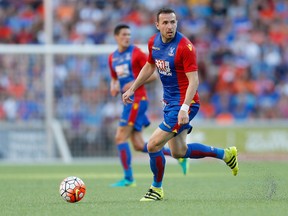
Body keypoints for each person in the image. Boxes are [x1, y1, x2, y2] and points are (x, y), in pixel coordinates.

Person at [122, 8, 239, 201]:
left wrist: (184, 108)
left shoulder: (185, 47)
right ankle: (226, 155)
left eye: (173, 22)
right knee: (179, 152)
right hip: (169, 103)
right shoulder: (154, 42)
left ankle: (156, 189)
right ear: (157, 25)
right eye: (166, 23)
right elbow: (150, 65)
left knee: (152, 145)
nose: (170, 26)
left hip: (185, 104)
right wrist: (133, 88)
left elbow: (194, 81)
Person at [108, 24, 189, 187]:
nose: (127, 37)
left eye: (129, 35)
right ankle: (179, 156)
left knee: (119, 137)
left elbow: (153, 74)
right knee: (138, 145)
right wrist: (114, 85)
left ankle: (129, 178)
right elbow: (114, 78)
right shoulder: (113, 57)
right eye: (123, 35)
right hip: (128, 102)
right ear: (116, 37)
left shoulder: (136, 53)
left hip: (137, 100)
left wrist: (132, 84)